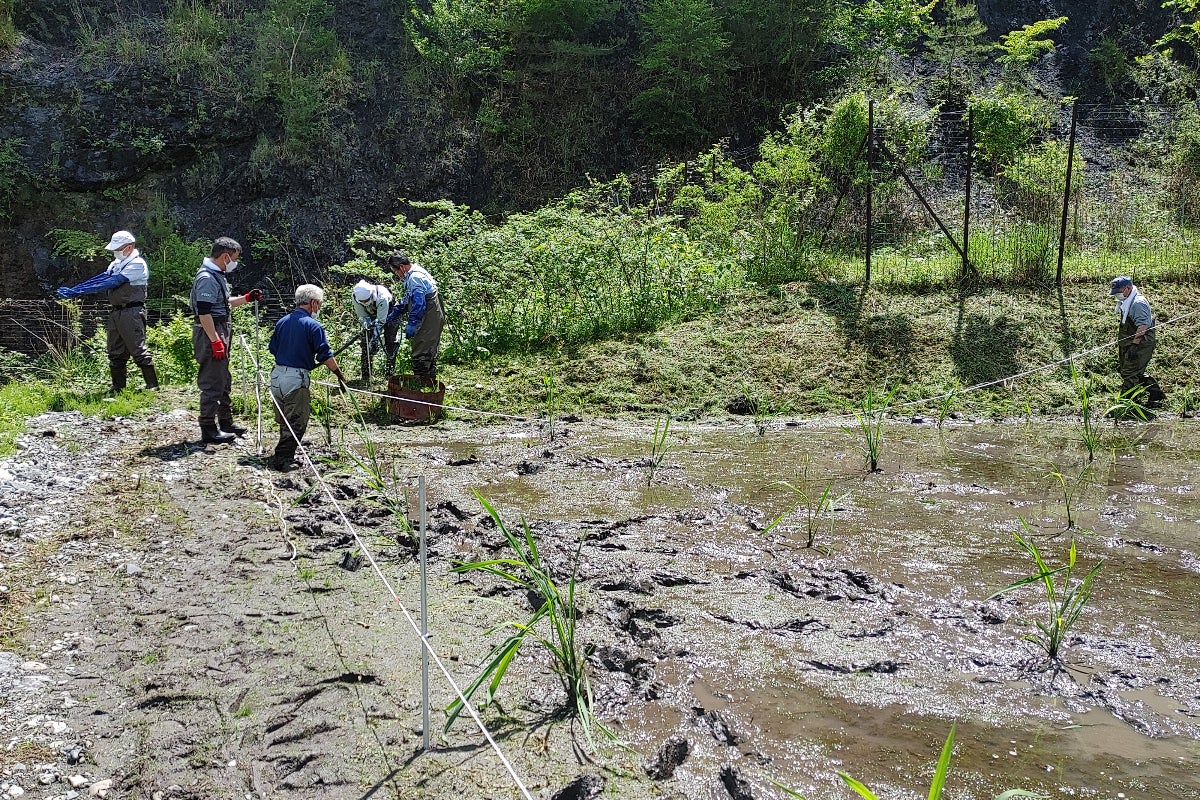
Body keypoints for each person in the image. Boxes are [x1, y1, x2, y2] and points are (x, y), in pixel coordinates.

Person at [56, 230, 159, 393]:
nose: (115, 251)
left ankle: (152, 386)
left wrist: (78, 292)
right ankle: (117, 387)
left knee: (137, 349)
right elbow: (101, 278)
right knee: (115, 350)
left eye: (119, 248)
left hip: (132, 311)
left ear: (129, 247)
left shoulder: (137, 264)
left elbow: (112, 282)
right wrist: (76, 288)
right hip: (116, 312)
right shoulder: (116, 264)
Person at [189, 237, 264, 444]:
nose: (235, 263)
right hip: (210, 330)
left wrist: (246, 298)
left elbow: (224, 302)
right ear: (225, 256)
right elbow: (204, 313)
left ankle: (225, 421)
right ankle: (208, 427)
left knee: (223, 377)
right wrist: (215, 340)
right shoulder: (206, 277)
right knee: (212, 379)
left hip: (220, 328)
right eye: (234, 259)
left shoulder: (217, 275)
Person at [267, 284, 347, 471]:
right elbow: (325, 355)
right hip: (296, 378)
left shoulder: (282, 321)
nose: (319, 307)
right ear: (313, 303)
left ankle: (283, 454)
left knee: (285, 420)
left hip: (277, 376)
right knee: (296, 421)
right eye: (319, 303)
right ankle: (283, 459)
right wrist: (339, 375)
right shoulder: (313, 325)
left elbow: (272, 348)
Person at [386, 252, 445, 386]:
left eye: (395, 272)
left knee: (421, 349)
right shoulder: (415, 273)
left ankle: (421, 384)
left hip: (430, 315)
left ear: (401, 267)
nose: (396, 275)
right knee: (426, 348)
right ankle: (429, 382)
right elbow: (409, 297)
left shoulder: (415, 278)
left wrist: (413, 323)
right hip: (431, 313)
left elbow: (419, 303)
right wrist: (397, 310)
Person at [1109, 275, 1164, 407]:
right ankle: (1156, 394)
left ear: (1127, 289)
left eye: (1118, 292)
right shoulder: (1127, 301)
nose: (1117, 295)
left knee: (1130, 373)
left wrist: (1134, 345)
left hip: (1141, 342)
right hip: (1129, 342)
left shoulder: (1137, 303)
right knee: (1131, 371)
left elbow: (1143, 326)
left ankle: (1125, 405)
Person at [350, 279, 401, 378]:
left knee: (390, 341)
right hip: (371, 315)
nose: (364, 303)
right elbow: (362, 316)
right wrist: (366, 327)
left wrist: (375, 338)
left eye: (366, 300)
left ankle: (389, 374)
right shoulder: (355, 296)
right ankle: (366, 376)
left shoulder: (382, 296)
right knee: (366, 343)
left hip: (390, 313)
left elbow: (381, 321)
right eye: (362, 301)